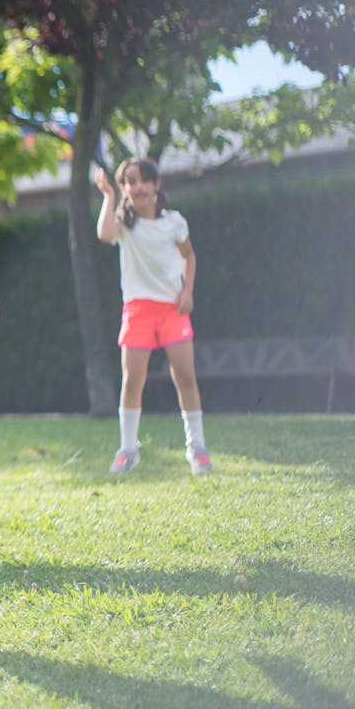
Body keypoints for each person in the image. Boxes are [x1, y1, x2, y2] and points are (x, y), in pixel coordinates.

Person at [95, 158, 212, 475]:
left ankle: (197, 448)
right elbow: (104, 234)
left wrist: (187, 291)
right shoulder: (124, 225)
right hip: (137, 311)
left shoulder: (174, 221)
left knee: (185, 378)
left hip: (172, 310)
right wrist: (108, 196)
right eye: (131, 181)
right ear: (124, 189)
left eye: (145, 180)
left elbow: (189, 256)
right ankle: (128, 451)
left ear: (156, 185)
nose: (139, 187)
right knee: (132, 380)